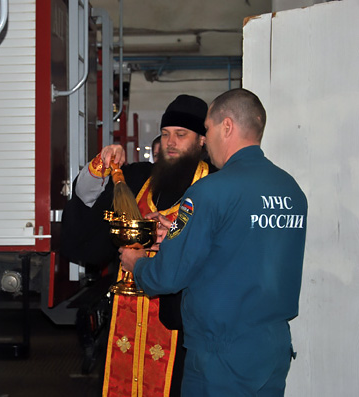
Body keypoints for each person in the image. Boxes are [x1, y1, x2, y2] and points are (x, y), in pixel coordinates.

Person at [120, 88, 308, 396]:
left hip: (220, 353)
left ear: (227, 127)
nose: (205, 139)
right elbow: (242, 245)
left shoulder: (209, 192)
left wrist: (137, 264)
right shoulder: (290, 190)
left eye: (206, 129)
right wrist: (181, 235)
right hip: (272, 345)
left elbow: (166, 277)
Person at [61, 94, 211, 397]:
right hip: (125, 313)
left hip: (179, 322)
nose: (171, 142)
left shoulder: (215, 186)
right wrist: (101, 165)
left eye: (181, 135)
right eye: (166, 133)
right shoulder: (141, 177)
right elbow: (88, 197)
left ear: (202, 141)